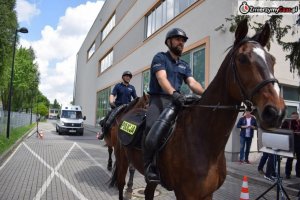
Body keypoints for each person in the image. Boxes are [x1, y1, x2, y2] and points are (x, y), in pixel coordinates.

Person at [143, 28, 205, 183]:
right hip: (159, 99)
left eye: (183, 40)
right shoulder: (160, 57)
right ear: (169, 41)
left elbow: (192, 83)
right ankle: (149, 166)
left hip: (176, 101)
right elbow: (161, 79)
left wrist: (206, 94)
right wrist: (174, 93)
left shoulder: (184, 65)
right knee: (151, 126)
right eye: (178, 39)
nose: (181, 42)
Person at [98, 71, 137, 140]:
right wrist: (111, 102)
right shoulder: (118, 86)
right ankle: (103, 132)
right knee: (109, 119)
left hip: (128, 107)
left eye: (129, 76)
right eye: (126, 76)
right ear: (123, 77)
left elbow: (135, 98)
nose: (128, 77)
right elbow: (112, 94)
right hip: (118, 107)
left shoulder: (132, 88)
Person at [281, 111, 300, 179]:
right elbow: (283, 130)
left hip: (298, 142)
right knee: (289, 159)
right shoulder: (288, 122)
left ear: (298, 116)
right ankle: (287, 174)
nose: (294, 118)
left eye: (295, 117)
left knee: (299, 159)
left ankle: (298, 173)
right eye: (292, 117)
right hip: (291, 142)